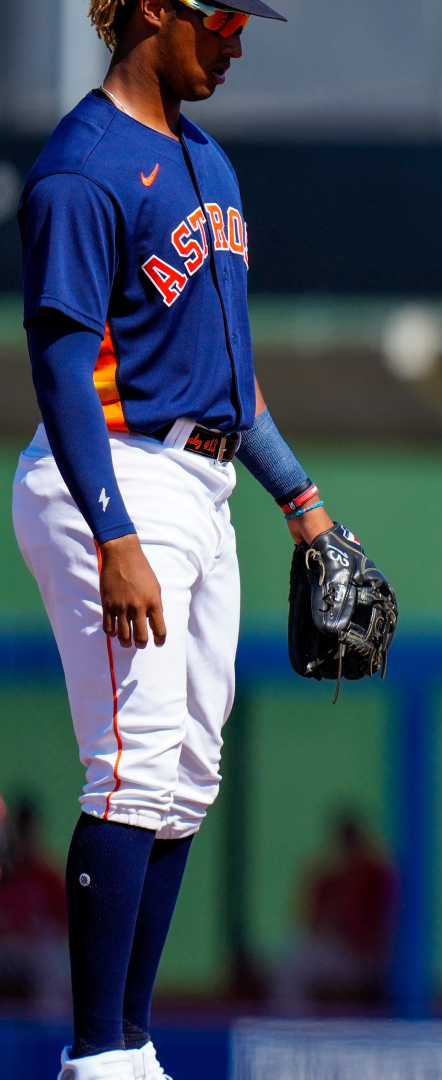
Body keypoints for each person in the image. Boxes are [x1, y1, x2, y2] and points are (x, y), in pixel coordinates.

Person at [12, 1, 380, 1075]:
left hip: (203, 481)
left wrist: (301, 501)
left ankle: (129, 1043)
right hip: (114, 472)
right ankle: (98, 1057)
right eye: (219, 17)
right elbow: (61, 367)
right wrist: (111, 531)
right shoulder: (82, 167)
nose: (237, 37)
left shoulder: (206, 157)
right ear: (152, 11)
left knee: (187, 770)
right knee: (129, 766)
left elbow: (232, 374)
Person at [270, 812, 397, 1013]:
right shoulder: (331, 877)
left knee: (292, 969)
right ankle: (294, 1027)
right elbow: (311, 924)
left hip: (368, 958)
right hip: (339, 952)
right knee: (289, 961)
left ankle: (294, 1026)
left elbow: (379, 933)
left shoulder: (378, 875)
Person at [0, 798, 71, 1018]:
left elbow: (66, 928)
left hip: (35, 950)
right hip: (5, 951)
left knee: (48, 961)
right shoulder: (6, 873)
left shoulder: (47, 876)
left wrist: (35, 930)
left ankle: (48, 1036)